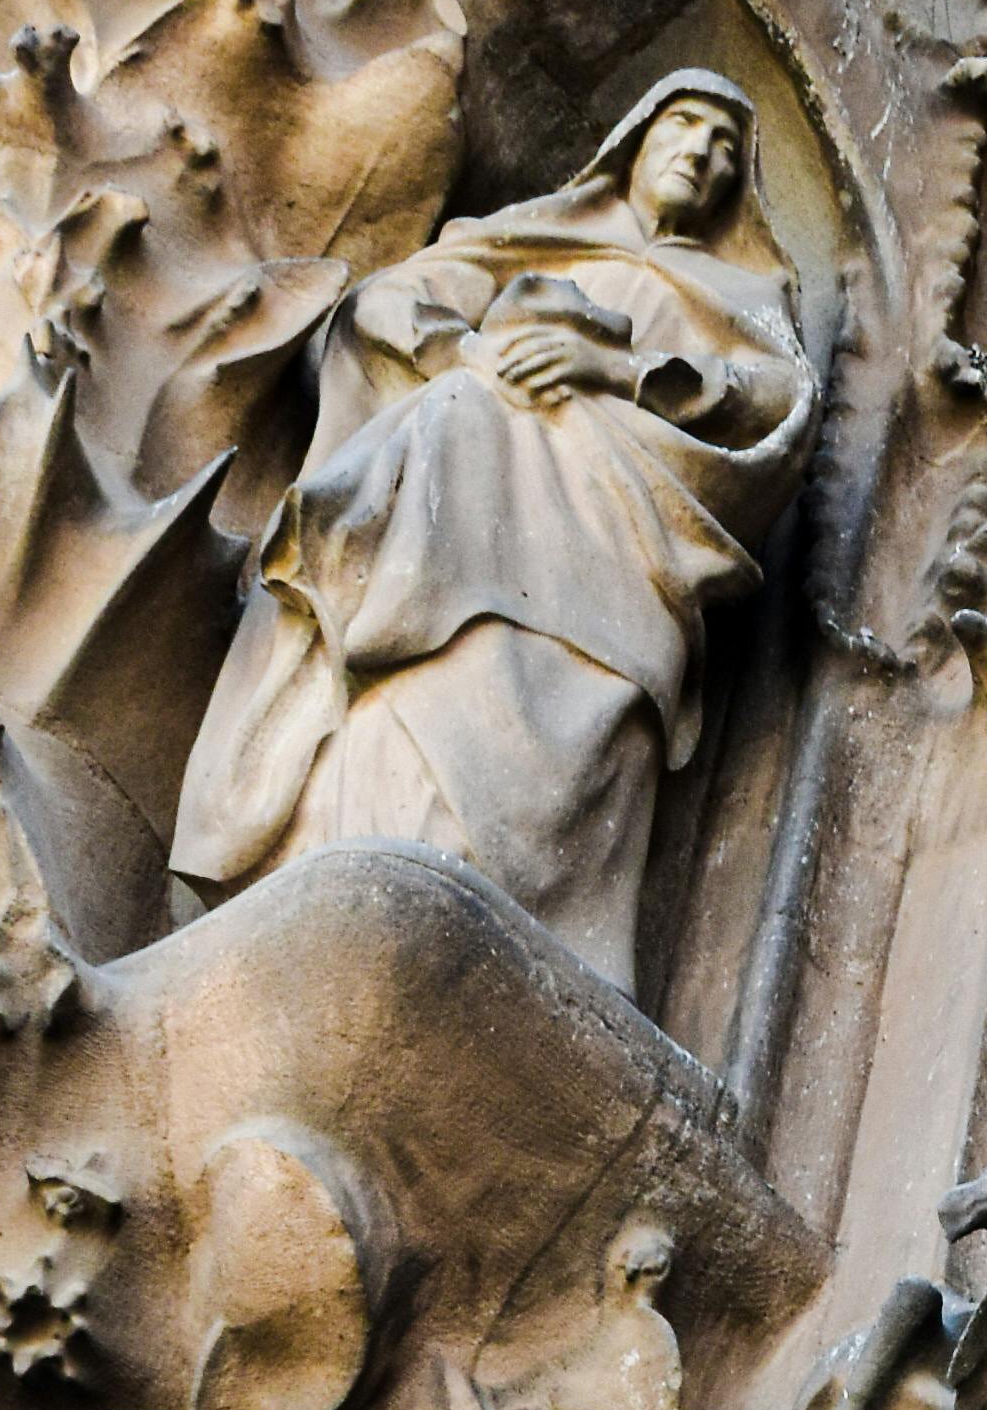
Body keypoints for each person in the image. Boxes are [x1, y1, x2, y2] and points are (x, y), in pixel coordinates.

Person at [172, 67, 817, 994]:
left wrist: (622, 367)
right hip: (468, 516)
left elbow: (777, 405)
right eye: (683, 127)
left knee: (579, 727)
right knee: (426, 689)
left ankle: (539, 980)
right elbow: (385, 304)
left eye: (726, 150)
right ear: (633, 142)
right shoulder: (538, 241)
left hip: (619, 552)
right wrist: (468, 353)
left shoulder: (741, 297)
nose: (703, 157)